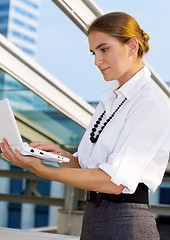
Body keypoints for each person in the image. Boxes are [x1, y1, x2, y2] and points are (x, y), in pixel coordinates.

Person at [0, 12, 170, 240]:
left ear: (132, 46)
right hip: (93, 220)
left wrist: (43, 171)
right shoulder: (111, 98)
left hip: (127, 225)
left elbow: (114, 182)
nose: (96, 61)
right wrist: (60, 156)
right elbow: (87, 167)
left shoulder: (150, 102)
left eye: (104, 49)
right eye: (93, 52)